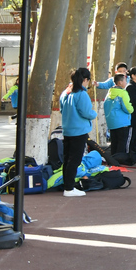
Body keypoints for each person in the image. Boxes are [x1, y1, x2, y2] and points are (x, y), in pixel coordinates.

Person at [57, 69, 97, 198]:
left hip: (67, 130)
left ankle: (67, 185)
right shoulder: (82, 94)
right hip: (79, 131)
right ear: (85, 80)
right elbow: (86, 112)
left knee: (67, 159)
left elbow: (62, 110)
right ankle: (69, 188)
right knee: (75, 160)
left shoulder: (66, 93)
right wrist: (94, 114)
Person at [103, 77, 136, 163]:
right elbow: (127, 108)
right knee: (122, 144)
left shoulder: (109, 92)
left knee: (114, 143)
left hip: (112, 122)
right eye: (125, 80)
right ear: (120, 82)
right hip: (122, 122)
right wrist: (132, 109)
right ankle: (120, 162)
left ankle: (113, 161)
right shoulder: (123, 93)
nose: (126, 82)